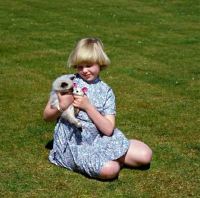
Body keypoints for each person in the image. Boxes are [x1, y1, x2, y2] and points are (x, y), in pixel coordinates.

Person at [44, 38, 152, 180]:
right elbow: (47, 116)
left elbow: (108, 130)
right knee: (110, 170)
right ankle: (114, 159)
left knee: (145, 155)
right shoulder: (67, 82)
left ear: (100, 63)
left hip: (99, 139)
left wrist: (87, 107)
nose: (84, 71)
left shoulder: (106, 91)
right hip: (74, 145)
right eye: (80, 66)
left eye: (89, 65)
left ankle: (114, 153)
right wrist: (61, 106)